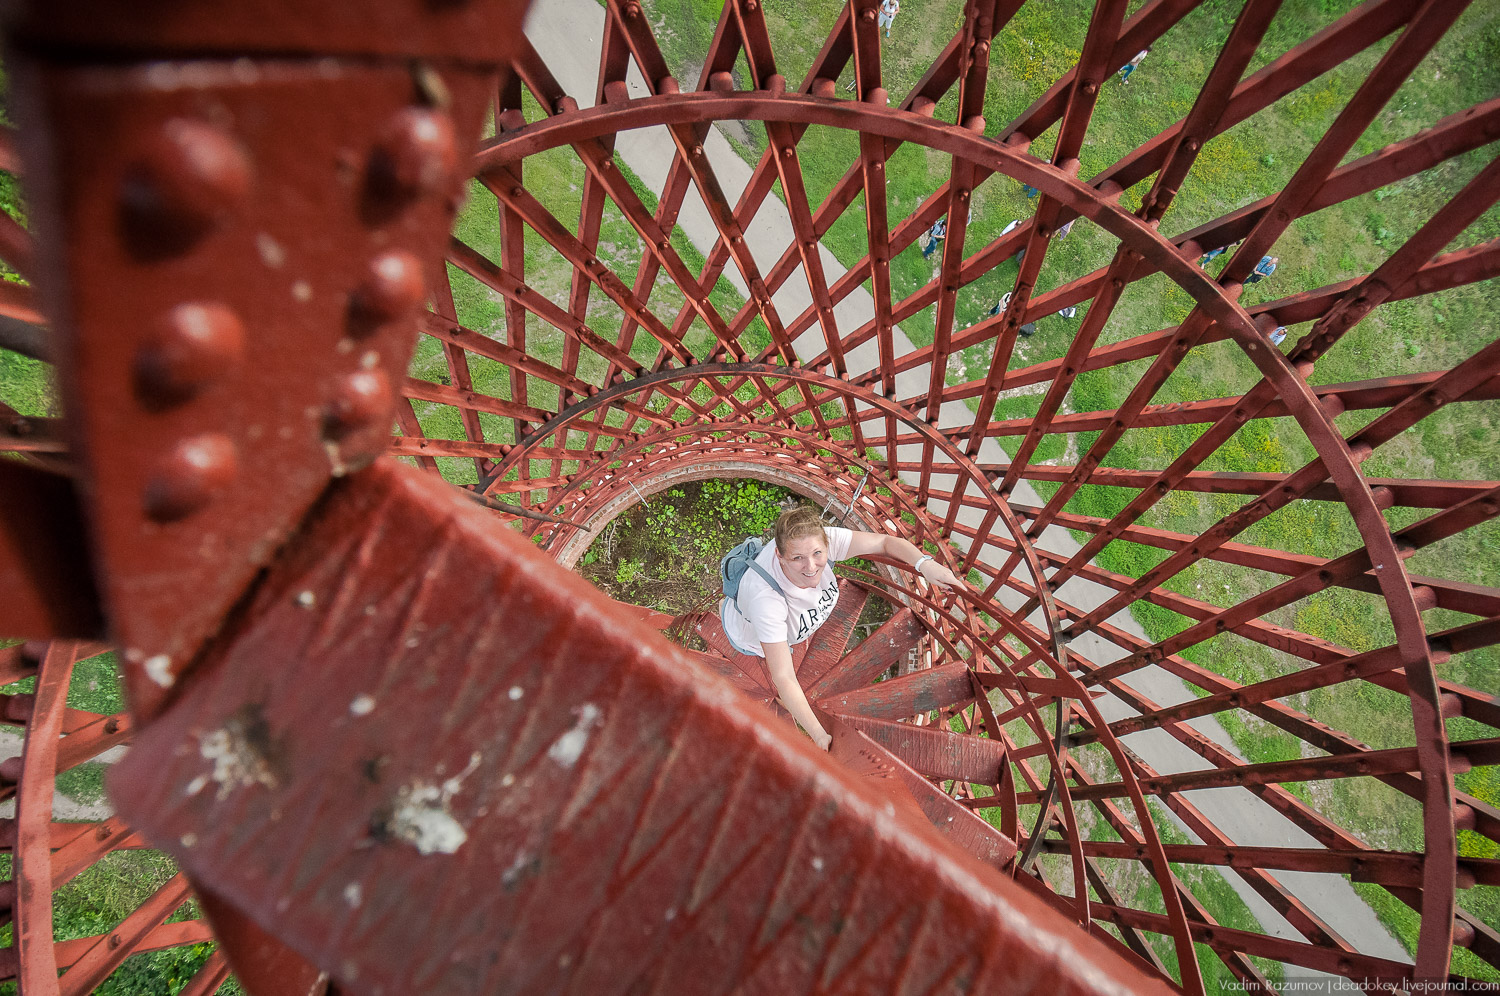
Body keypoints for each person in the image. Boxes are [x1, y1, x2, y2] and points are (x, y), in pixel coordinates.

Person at [719, 506, 966, 750]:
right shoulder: (767, 603)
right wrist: (817, 733)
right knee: (760, 650)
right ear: (779, 556)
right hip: (749, 639)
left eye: (818, 554)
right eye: (797, 559)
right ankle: (725, 609)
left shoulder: (819, 540)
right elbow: (783, 676)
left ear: (826, 543)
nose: (811, 566)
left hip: (788, 626)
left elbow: (885, 542)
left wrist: (925, 565)